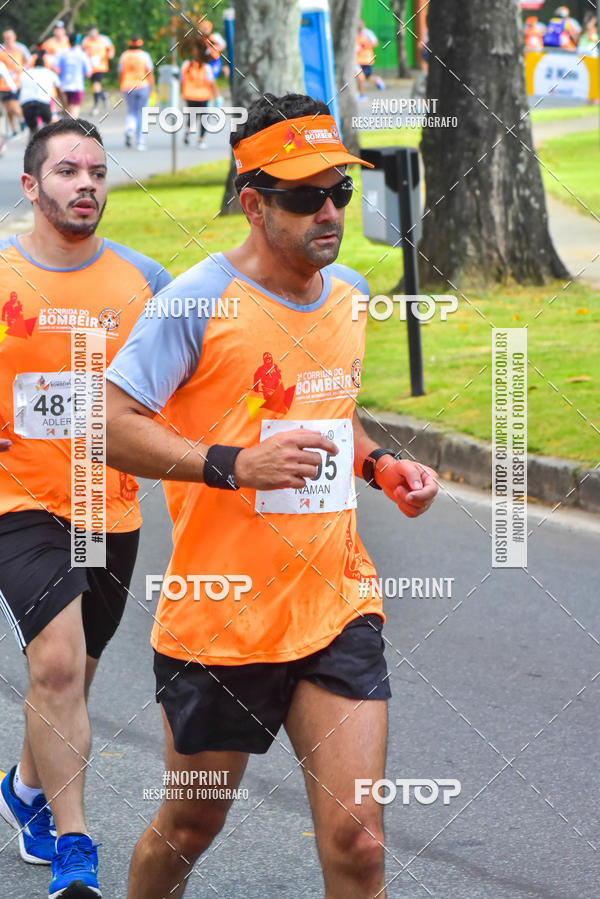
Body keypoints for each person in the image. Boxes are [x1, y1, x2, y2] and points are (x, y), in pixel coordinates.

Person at [105, 92, 438, 899]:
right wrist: (231, 463)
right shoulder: (195, 301)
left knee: (359, 841)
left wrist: (377, 464)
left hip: (335, 603)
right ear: (253, 203)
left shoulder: (350, 290)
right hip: (221, 620)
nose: (328, 210)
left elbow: (328, 408)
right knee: (188, 830)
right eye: (305, 196)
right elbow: (109, 425)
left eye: (340, 192)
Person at [0, 118, 171, 899]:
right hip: (18, 498)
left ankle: (25, 786)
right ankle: (74, 845)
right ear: (32, 186)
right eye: (68, 171)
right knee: (58, 661)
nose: (87, 184)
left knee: (75, 675)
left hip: (109, 503)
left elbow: (183, 388)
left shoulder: (146, 281)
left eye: (98, 171)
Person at [118, 36, 154, 151]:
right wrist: (152, 88)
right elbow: (149, 72)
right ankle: (140, 141)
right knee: (141, 113)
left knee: (131, 110)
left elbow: (120, 72)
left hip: (127, 86)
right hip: (142, 85)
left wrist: (121, 85)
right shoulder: (144, 55)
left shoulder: (124, 56)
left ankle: (130, 128)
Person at [180, 38, 217, 147]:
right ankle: (201, 140)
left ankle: (187, 131)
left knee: (192, 115)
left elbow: (182, 80)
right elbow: (211, 83)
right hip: (203, 96)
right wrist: (216, 97)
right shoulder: (206, 67)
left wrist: (182, 93)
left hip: (189, 95)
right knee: (203, 118)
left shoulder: (186, 65)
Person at [18, 49, 63, 134]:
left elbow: (19, 90)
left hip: (26, 104)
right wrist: (64, 104)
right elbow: (59, 89)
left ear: (33, 64)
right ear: (44, 65)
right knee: (49, 126)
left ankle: (33, 142)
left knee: (32, 130)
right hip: (43, 102)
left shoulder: (24, 74)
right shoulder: (49, 72)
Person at [0, 29, 29, 135]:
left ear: (14, 37)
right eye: (6, 38)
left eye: (10, 37)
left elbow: (28, 61)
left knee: (13, 104)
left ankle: (22, 120)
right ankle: (13, 129)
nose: (8, 40)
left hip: (17, 82)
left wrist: (23, 71)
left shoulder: (20, 49)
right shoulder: (1, 50)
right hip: (4, 84)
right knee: (8, 108)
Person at [55, 35, 91, 118]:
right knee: (74, 112)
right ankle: (71, 129)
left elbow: (55, 68)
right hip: (77, 86)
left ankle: (65, 127)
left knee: (66, 111)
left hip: (63, 86)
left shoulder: (62, 53)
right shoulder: (82, 55)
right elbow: (88, 73)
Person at [82, 25, 114, 115]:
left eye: (94, 31)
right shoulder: (86, 41)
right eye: (91, 32)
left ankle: (95, 106)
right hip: (90, 67)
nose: (93, 34)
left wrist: (110, 54)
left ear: (97, 31)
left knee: (96, 85)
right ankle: (104, 96)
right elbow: (83, 53)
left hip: (101, 66)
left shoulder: (104, 39)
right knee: (96, 86)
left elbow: (110, 48)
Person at [355, 19, 384, 98]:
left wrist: (365, 45)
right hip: (356, 60)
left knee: (367, 77)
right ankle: (361, 95)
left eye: (359, 23)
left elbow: (375, 43)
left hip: (367, 60)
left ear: (363, 23)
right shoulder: (353, 33)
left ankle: (377, 81)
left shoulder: (367, 33)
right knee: (359, 77)